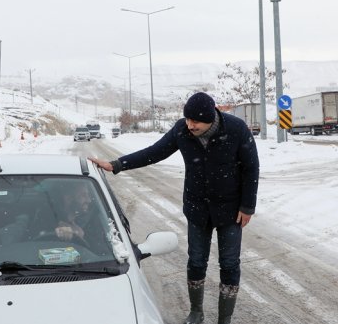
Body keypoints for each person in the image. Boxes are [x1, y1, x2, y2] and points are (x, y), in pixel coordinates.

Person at [89, 92, 259, 324]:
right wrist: (116, 164)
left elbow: (251, 168)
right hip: (197, 207)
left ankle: (224, 319)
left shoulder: (236, 129)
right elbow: (155, 152)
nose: (190, 125)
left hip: (230, 210)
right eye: (187, 119)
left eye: (195, 121)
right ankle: (196, 312)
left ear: (211, 118)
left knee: (229, 263)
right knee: (196, 260)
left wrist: (248, 206)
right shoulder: (182, 130)